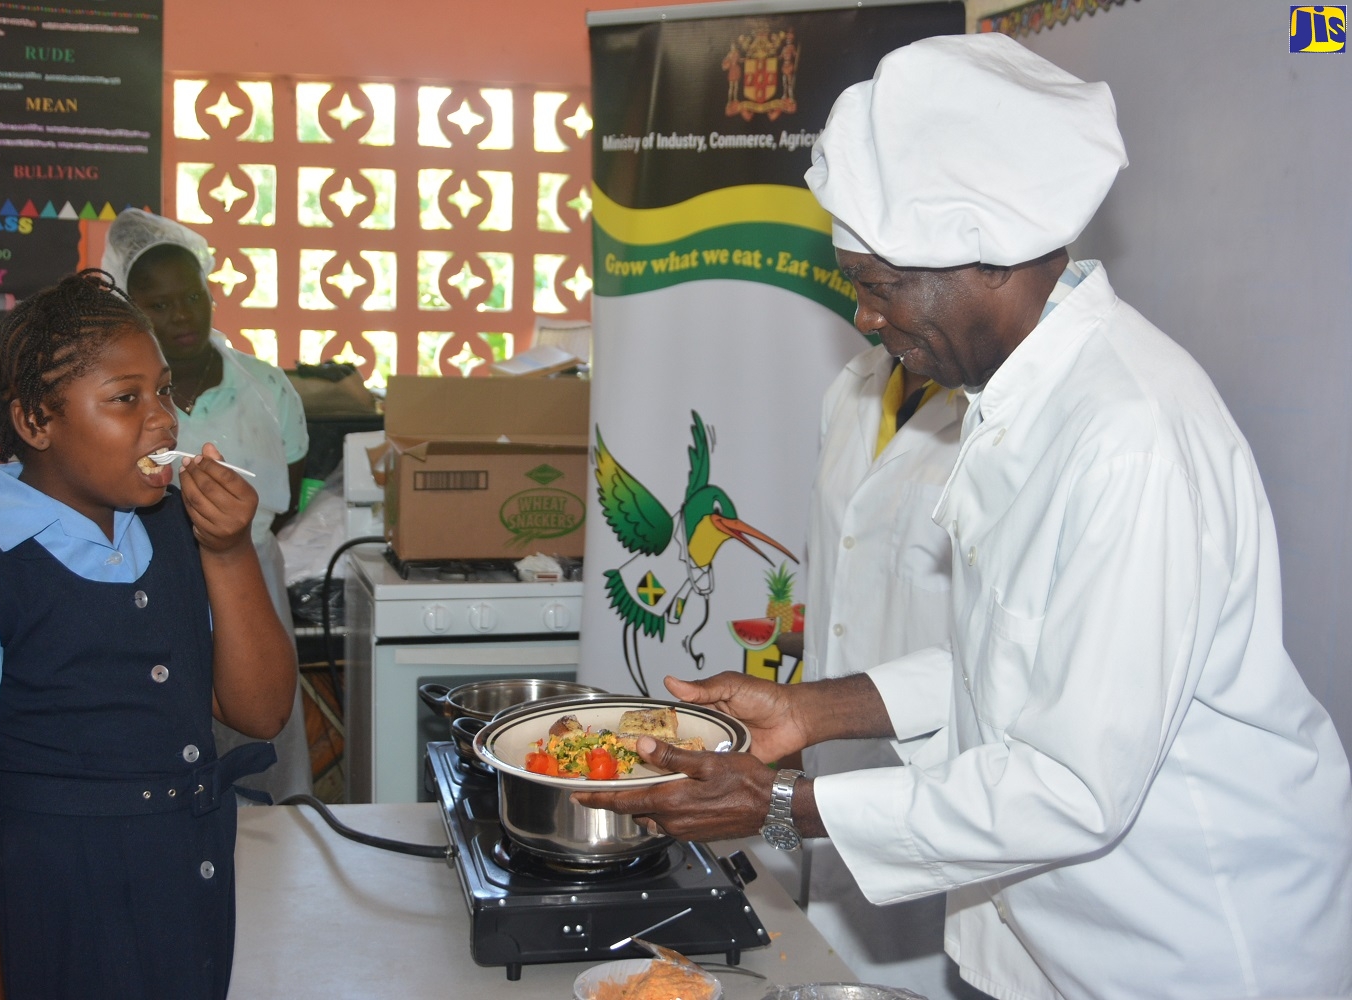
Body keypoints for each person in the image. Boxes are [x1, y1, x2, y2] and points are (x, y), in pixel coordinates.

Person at [577, 33, 1352, 1000]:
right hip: (1050, 937)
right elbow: (1018, 666)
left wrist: (778, 805)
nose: (863, 320)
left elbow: (1073, 784)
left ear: (986, 258)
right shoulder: (1022, 402)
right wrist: (816, 709)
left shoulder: (1130, 436)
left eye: (878, 287)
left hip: (1185, 946)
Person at [0, 271, 297, 999]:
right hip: (51, 939)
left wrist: (229, 551)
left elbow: (260, 711)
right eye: (125, 398)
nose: (163, 420)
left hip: (186, 918)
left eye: (165, 392)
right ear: (36, 422)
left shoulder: (180, 534)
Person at [102, 209, 314, 803]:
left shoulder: (267, 389)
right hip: (157, 578)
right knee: (174, 727)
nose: (182, 315)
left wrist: (232, 537)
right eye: (159, 305)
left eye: (192, 296)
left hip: (252, 575)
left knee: (264, 720)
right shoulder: (120, 401)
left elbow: (289, 493)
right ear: (130, 308)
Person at [800, 349, 968, 1000]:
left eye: (881, 283)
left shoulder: (1002, 411)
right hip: (834, 750)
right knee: (826, 966)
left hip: (934, 766)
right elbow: (839, 557)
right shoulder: (851, 389)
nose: (868, 315)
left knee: (918, 975)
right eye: (858, 285)